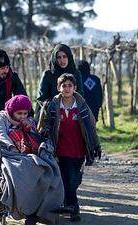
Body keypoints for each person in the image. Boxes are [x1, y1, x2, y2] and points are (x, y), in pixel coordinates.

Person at [0, 95, 64, 225]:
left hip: (29, 153)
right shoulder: (2, 117)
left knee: (47, 170)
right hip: (8, 152)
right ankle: (26, 210)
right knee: (21, 173)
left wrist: (29, 128)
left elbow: (35, 138)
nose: (22, 116)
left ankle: (41, 210)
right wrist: (11, 146)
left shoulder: (29, 120)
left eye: (25, 113)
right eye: (19, 113)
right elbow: (0, 134)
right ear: (11, 111)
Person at [41, 73, 101, 222]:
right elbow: (45, 125)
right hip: (61, 150)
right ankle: (74, 208)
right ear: (58, 88)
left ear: (75, 87)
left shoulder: (81, 105)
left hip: (80, 150)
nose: (67, 88)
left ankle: (67, 203)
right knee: (67, 179)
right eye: (64, 85)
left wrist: (96, 144)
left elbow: (91, 126)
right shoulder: (53, 106)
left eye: (69, 85)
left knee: (75, 180)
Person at [36, 44, 84, 123]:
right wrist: (55, 106)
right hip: (51, 114)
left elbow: (80, 93)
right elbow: (42, 97)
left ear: (69, 57)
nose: (62, 60)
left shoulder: (76, 73)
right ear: (55, 58)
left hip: (73, 113)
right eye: (59, 57)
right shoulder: (48, 74)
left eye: (64, 56)